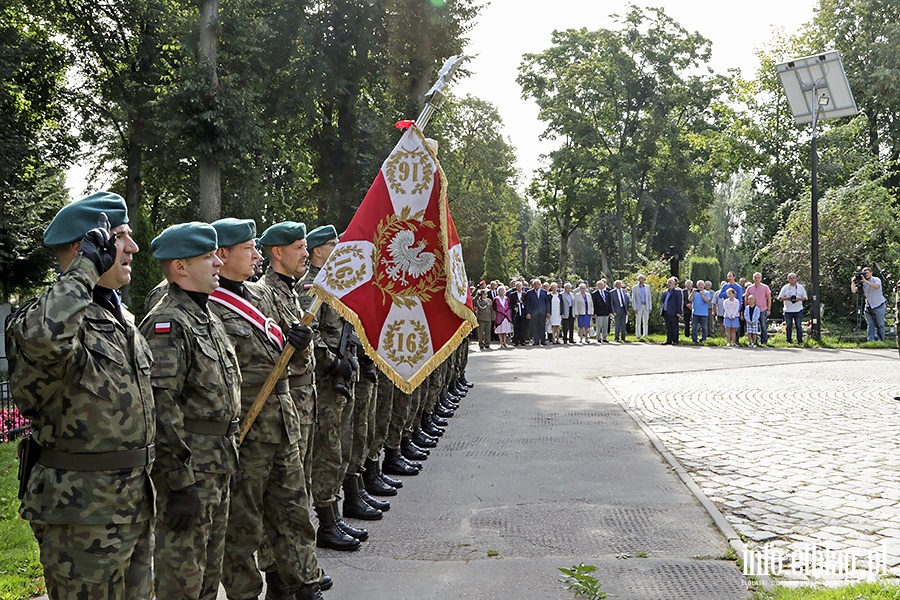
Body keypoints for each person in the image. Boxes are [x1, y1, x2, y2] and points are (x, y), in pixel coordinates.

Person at [6, 192, 156, 599]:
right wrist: (85, 268)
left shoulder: (120, 317)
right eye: (120, 237)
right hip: (81, 514)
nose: (132, 247)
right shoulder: (38, 320)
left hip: (134, 504)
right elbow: (44, 339)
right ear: (84, 247)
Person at [208, 218, 324, 600]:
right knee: (242, 528)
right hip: (246, 434)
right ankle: (247, 594)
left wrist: (298, 343)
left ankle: (303, 586)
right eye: (248, 249)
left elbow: (281, 363)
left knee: (294, 513)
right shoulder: (206, 305)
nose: (256, 255)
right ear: (221, 255)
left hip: (281, 425)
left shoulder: (255, 300)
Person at [139, 222, 241, 600]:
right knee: (181, 578)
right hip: (191, 471)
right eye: (207, 257)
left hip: (216, 466)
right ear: (180, 267)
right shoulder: (168, 323)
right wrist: (178, 481)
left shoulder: (205, 313)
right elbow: (161, 407)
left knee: (208, 575)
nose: (218, 262)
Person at [850, 267, 887, 341]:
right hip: (869, 305)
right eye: (864, 273)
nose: (866, 275)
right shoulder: (862, 283)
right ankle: (870, 341)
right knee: (870, 324)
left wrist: (865, 281)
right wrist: (853, 282)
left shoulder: (876, 279)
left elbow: (877, 286)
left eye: (867, 273)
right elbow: (854, 291)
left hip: (879, 305)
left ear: (871, 273)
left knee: (880, 324)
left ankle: (881, 340)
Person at [777, 272, 808, 345]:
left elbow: (805, 297)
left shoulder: (800, 287)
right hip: (788, 310)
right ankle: (789, 340)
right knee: (788, 326)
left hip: (798, 309)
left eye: (793, 278)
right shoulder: (785, 287)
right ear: (788, 279)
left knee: (798, 326)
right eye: (790, 278)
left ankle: (800, 341)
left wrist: (798, 299)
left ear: (796, 279)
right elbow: (780, 297)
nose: (792, 280)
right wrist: (788, 298)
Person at [745, 273, 772, 346]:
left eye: (758, 278)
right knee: (752, 326)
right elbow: (746, 298)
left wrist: (768, 309)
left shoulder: (765, 287)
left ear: (761, 279)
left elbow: (769, 298)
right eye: (755, 277)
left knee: (763, 325)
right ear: (753, 278)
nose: (756, 279)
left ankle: (764, 341)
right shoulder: (749, 288)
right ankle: (753, 342)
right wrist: (746, 309)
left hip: (762, 309)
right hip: (752, 310)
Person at [524, 278, 549, 346]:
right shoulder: (529, 292)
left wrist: (548, 312)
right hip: (533, 312)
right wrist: (528, 313)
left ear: (540, 285)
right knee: (534, 327)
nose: (536, 285)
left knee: (542, 327)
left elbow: (547, 303)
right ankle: (536, 340)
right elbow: (528, 304)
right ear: (533, 285)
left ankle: (543, 340)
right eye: (535, 284)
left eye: (538, 284)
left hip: (542, 312)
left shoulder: (544, 292)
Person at [660, 277, 683, 345]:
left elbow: (679, 302)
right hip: (666, 311)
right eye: (668, 282)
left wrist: (679, 312)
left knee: (674, 327)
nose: (669, 284)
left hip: (674, 312)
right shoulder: (665, 292)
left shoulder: (677, 291)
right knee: (668, 327)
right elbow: (663, 301)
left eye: (670, 283)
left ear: (674, 284)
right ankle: (669, 340)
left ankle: (675, 340)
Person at [631, 274, 652, 340]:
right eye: (640, 279)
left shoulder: (647, 287)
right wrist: (634, 308)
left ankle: (645, 334)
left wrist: (650, 307)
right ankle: (638, 335)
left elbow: (649, 298)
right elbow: (633, 299)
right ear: (638, 280)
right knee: (638, 321)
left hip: (646, 306)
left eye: (643, 279)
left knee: (646, 321)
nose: (641, 280)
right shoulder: (634, 288)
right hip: (638, 306)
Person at [508, 280, 528, 346]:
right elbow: (510, 303)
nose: (519, 287)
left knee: (523, 326)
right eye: (517, 286)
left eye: (520, 286)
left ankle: (523, 340)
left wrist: (523, 303)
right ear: (515, 287)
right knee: (516, 327)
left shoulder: (524, 294)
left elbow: (527, 303)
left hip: (523, 312)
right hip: (516, 312)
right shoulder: (512, 294)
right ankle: (516, 340)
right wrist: (514, 306)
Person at [592, 279, 612, 343]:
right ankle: (598, 337)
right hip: (599, 312)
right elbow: (594, 304)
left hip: (606, 312)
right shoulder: (595, 294)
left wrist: (610, 311)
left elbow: (609, 302)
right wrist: (594, 313)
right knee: (599, 326)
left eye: (602, 284)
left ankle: (605, 337)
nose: (602, 285)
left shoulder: (607, 293)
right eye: (600, 284)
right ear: (598, 285)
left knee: (605, 326)